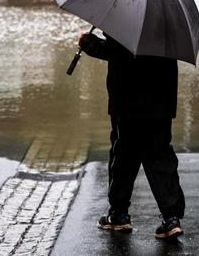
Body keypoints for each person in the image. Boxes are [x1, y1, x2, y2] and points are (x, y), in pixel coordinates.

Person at [79, 31, 185, 239]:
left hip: (127, 102)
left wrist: (87, 43)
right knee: (161, 157)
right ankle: (171, 218)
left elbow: (115, 52)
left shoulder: (125, 16)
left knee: (123, 158)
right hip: (160, 103)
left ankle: (119, 214)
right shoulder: (167, 21)